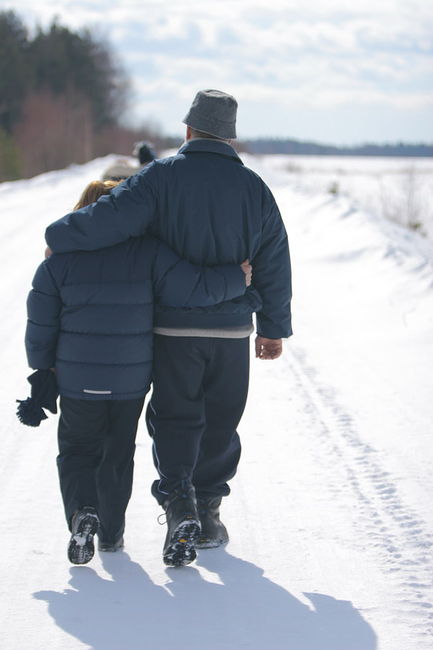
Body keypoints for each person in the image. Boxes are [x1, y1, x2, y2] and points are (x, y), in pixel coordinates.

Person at [45, 89, 292, 567]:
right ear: (230, 136)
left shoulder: (160, 178)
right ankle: (208, 511)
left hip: (172, 330)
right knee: (221, 421)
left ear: (188, 129)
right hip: (232, 332)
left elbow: (106, 219)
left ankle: (180, 502)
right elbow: (274, 259)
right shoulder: (255, 188)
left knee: (177, 418)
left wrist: (57, 236)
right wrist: (273, 328)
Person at [27, 179, 251, 565]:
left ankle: (82, 513)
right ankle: (111, 537)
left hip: (77, 383)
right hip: (129, 382)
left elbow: (40, 326)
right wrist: (236, 277)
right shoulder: (148, 253)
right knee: (118, 455)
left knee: (77, 451)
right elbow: (192, 287)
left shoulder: (57, 262)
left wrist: (41, 369)